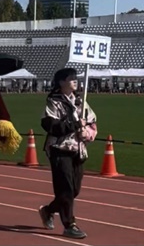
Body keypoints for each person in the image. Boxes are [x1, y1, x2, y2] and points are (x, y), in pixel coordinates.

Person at [39, 68, 96, 240]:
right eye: (70, 78)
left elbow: (92, 122)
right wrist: (74, 124)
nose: (74, 80)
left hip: (78, 150)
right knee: (65, 188)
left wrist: (88, 133)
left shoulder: (81, 101)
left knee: (74, 190)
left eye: (75, 77)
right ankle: (69, 224)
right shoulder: (53, 102)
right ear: (61, 82)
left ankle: (48, 210)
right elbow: (51, 126)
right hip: (59, 149)